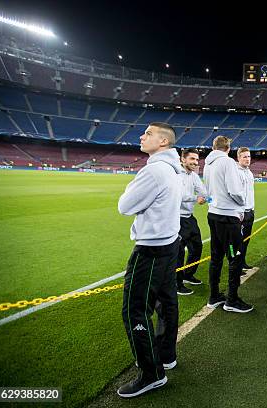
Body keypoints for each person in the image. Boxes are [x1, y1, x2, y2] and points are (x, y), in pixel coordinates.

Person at [117, 122, 182, 398]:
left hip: (151, 251)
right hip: (169, 245)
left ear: (163, 142)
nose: (142, 136)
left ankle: (151, 373)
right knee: (167, 303)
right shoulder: (172, 168)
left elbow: (124, 206)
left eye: (148, 133)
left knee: (135, 310)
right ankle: (166, 355)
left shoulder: (154, 170)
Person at [203, 136, 252, 313]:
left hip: (213, 215)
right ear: (228, 148)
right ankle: (232, 299)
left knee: (216, 256)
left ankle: (214, 295)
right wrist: (242, 205)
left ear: (213, 147)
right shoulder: (228, 163)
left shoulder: (208, 164)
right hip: (227, 218)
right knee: (234, 256)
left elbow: (207, 190)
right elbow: (235, 191)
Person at [176, 148, 207, 296]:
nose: (195, 162)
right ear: (183, 159)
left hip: (189, 217)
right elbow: (180, 195)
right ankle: (177, 283)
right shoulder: (176, 174)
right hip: (177, 218)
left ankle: (188, 274)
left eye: (196, 159)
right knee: (179, 253)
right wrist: (196, 198)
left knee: (197, 247)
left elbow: (203, 191)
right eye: (192, 159)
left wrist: (204, 196)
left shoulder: (193, 175)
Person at [237, 147, 256, 273]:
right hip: (241, 213)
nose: (247, 159)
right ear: (238, 158)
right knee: (237, 242)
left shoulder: (249, 173)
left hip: (250, 211)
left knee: (246, 240)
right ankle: (236, 265)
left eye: (249, 156)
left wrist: (252, 209)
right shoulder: (236, 172)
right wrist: (239, 212)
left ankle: (242, 262)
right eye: (244, 156)